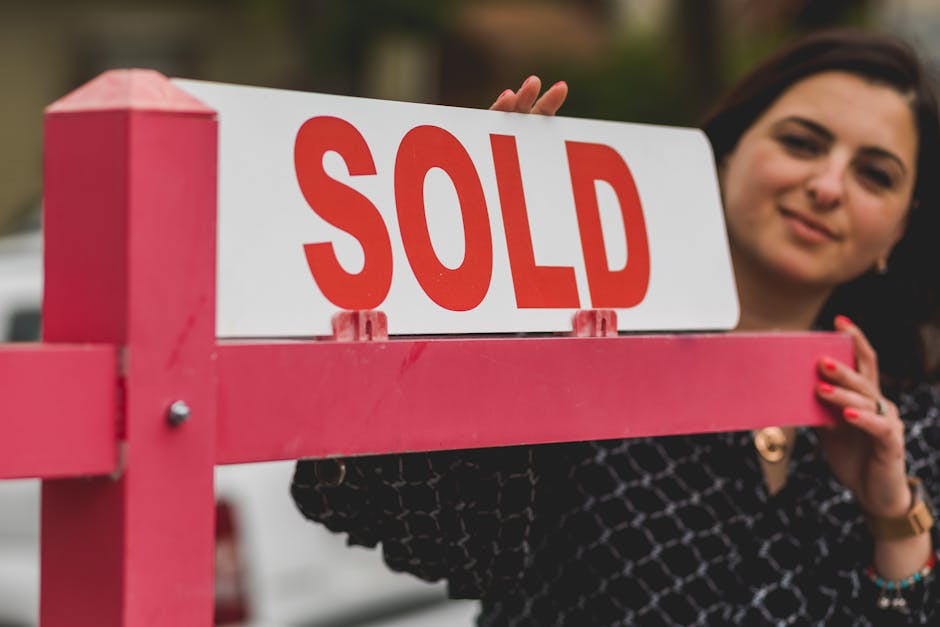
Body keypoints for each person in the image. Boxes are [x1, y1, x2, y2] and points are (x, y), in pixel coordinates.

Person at [291, 28, 940, 626]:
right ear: (726, 151)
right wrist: (462, 268)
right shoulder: (578, 342)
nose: (828, 185)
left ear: (901, 228)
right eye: (802, 142)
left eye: (873, 174)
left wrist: (893, 518)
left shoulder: (911, 421)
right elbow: (411, 532)